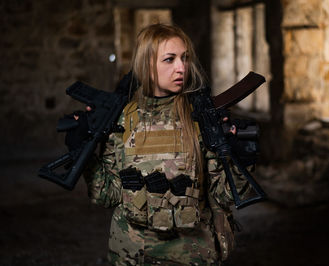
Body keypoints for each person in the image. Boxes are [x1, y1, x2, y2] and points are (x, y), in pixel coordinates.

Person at [83, 23, 249, 265]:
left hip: (192, 255)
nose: (182, 67)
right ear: (147, 65)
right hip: (132, 255)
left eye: (185, 58)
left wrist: (241, 157)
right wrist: (85, 155)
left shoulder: (200, 118)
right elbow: (106, 195)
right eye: (169, 59)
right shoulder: (122, 119)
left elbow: (225, 195)